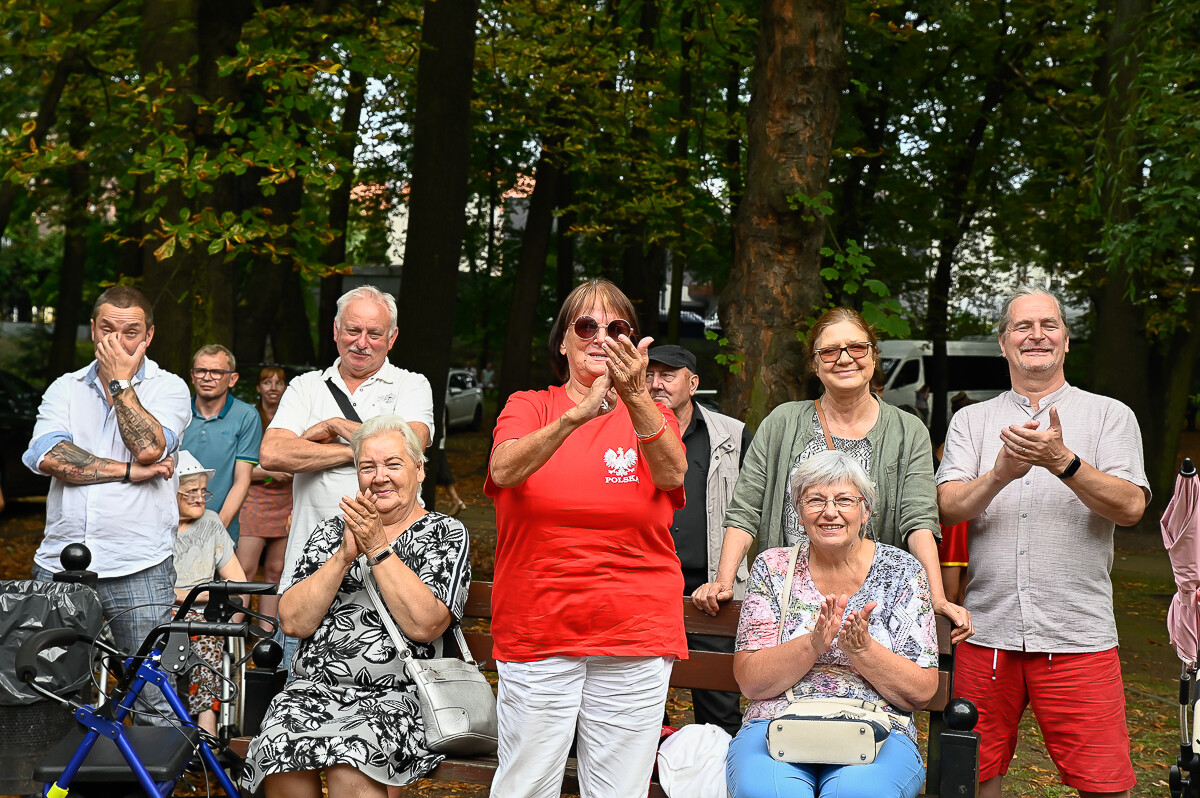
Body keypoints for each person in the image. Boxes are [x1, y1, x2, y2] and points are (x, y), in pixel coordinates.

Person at [936, 288, 1149, 798]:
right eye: (1022, 327)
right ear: (1003, 344)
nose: (1036, 335)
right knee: (972, 777)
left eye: (1049, 325)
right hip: (985, 632)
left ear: (1066, 341)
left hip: (1078, 633)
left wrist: (1064, 463)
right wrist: (1000, 475)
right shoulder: (971, 421)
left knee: (1104, 783)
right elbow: (947, 508)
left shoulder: (1110, 415)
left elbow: (1131, 507)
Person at [484, 279, 688, 797]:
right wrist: (576, 416)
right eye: (586, 326)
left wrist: (634, 397)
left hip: (635, 631)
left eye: (616, 327)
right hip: (539, 628)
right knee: (526, 786)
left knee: (619, 789)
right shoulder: (530, 405)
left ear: (632, 343)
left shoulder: (654, 414)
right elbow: (504, 470)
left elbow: (672, 473)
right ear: (563, 342)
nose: (601, 337)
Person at [693, 307, 972, 645]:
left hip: (874, 610)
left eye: (857, 347)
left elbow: (919, 521)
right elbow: (745, 510)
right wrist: (724, 582)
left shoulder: (908, 430)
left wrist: (936, 597)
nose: (844, 358)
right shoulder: (782, 422)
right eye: (829, 351)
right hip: (787, 603)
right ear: (815, 364)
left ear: (873, 356)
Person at [241, 415, 471, 797]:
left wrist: (378, 547)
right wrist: (343, 557)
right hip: (314, 691)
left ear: (419, 470)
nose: (379, 477)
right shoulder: (332, 531)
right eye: (367, 467)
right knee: (279, 751)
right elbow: (293, 622)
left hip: (400, 696)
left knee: (352, 763)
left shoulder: (444, 533)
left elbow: (425, 625)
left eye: (393, 464)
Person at [726, 450, 939, 798]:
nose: (829, 512)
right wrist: (812, 645)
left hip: (877, 729)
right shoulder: (773, 567)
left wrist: (863, 650)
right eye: (815, 500)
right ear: (799, 511)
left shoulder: (902, 571)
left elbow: (922, 691)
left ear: (866, 510)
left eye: (844, 500)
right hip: (777, 723)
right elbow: (750, 682)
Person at [21, 285, 190, 723]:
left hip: (140, 566)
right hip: (60, 565)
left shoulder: (169, 388)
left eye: (130, 332)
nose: (117, 342)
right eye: (108, 330)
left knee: (154, 698)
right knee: (48, 691)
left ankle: (152, 771)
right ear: (94, 329)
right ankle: (65, 771)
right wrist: (130, 471)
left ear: (149, 336)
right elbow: (50, 457)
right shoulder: (65, 388)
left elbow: (149, 447)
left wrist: (120, 382)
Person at [260, 285, 434, 665]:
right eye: (353, 330)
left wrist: (335, 425)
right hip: (309, 570)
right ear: (336, 330)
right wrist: (364, 453)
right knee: (299, 679)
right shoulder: (306, 386)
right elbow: (273, 454)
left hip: (392, 567)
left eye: (374, 333)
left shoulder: (411, 385)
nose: (362, 342)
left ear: (392, 338)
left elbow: (413, 445)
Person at [646, 343, 752, 736]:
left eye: (667, 376)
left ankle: (719, 768)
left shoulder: (732, 434)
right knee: (641, 707)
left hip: (712, 591)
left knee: (719, 708)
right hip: (646, 587)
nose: (656, 384)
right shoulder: (624, 428)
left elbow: (754, 506)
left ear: (692, 384)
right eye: (648, 375)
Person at [171, 450, 249, 735]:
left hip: (203, 615)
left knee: (205, 635)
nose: (200, 498)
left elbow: (237, 583)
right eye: (191, 492)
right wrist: (197, 594)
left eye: (203, 491)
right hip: (156, 610)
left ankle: (207, 729)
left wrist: (184, 596)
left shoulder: (211, 523)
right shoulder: (153, 526)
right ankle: (163, 723)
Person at [182, 343, 262, 542]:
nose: (207, 377)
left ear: (232, 379)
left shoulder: (247, 416)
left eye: (216, 372)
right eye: (201, 371)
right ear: (192, 375)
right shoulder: (177, 412)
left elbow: (242, 481)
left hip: (220, 529)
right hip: (171, 528)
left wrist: (215, 530)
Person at [235, 366, 293, 631]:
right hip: (254, 501)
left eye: (279, 383)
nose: (273, 387)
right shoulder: (250, 418)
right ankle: (233, 634)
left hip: (286, 500)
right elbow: (237, 467)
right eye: (267, 382)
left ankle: (265, 635)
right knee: (244, 569)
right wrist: (268, 472)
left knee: (276, 570)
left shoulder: (293, 418)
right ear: (258, 388)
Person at [434, 409, 467, 516]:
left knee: (440, 471)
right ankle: (456, 499)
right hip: (437, 440)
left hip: (436, 441)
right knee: (442, 470)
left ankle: (456, 499)